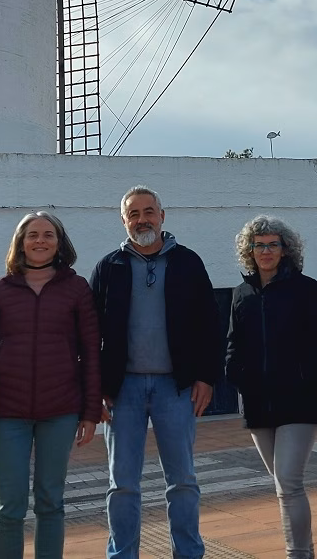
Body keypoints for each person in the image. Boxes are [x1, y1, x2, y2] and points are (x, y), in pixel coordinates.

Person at [0, 211, 101, 559]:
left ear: (59, 242)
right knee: (8, 504)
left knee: (51, 501)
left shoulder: (77, 288)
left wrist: (91, 411)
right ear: (20, 242)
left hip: (61, 410)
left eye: (48, 234)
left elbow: (91, 352)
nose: (40, 241)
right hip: (8, 413)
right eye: (32, 234)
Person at [90, 186, 221, 559]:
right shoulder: (108, 267)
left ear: (162, 216)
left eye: (149, 211)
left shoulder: (188, 263)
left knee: (182, 481)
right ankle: (122, 555)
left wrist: (206, 377)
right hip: (121, 390)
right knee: (122, 485)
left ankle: (189, 553)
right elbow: (89, 331)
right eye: (134, 213)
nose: (142, 219)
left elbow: (210, 324)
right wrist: (95, 386)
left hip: (175, 388)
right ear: (123, 220)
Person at [226, 216, 317, 559]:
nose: (265, 251)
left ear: (285, 249)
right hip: (258, 403)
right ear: (250, 250)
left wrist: (305, 379)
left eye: (273, 244)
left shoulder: (307, 289)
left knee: (288, 482)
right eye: (259, 245)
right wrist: (237, 376)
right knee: (282, 486)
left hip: (298, 401)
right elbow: (233, 344)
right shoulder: (241, 293)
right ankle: (305, 549)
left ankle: (297, 554)